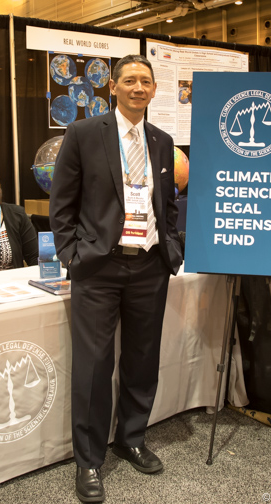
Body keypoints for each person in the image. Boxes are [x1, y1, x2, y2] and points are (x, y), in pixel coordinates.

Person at [49, 55, 183, 503]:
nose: (138, 87)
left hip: (149, 266)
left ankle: (131, 438)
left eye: (146, 81)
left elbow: (168, 204)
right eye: (130, 80)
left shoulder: (162, 142)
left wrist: (172, 250)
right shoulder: (84, 134)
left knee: (143, 360)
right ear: (113, 86)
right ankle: (89, 461)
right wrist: (72, 254)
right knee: (93, 366)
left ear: (154, 89)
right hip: (99, 268)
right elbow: (62, 201)